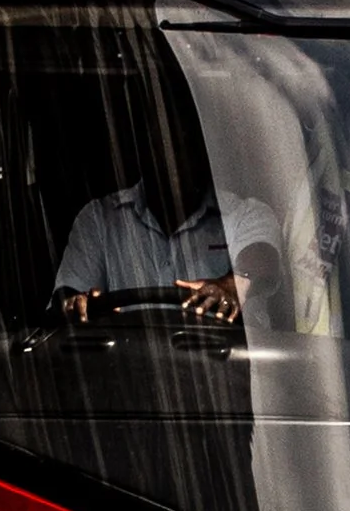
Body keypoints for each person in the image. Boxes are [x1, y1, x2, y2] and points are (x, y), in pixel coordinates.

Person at [49, 77, 285, 329]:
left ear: (203, 146)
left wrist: (233, 284)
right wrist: (77, 304)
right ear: (142, 146)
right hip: (129, 364)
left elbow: (262, 261)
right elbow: (68, 295)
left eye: (184, 138)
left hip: (227, 366)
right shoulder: (99, 219)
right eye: (161, 138)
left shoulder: (247, 214)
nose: (173, 151)